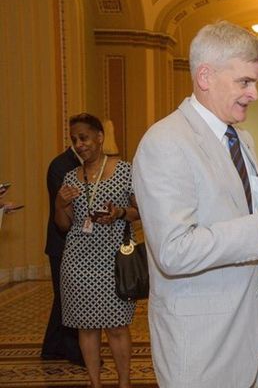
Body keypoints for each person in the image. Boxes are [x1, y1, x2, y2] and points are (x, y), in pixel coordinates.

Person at [131, 21, 258, 388]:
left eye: (255, 81)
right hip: (202, 340)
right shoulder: (165, 142)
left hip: (253, 327)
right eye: (245, 82)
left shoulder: (242, 138)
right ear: (205, 76)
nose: (254, 94)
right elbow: (173, 251)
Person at [55, 113, 139, 388]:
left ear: (100, 137)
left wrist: (119, 213)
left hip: (114, 260)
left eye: (84, 138)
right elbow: (64, 224)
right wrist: (60, 203)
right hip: (78, 260)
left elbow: (142, 211)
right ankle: (95, 383)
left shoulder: (125, 170)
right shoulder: (71, 176)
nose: (79, 145)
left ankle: (124, 382)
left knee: (116, 326)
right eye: (75, 139)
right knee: (86, 326)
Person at [41, 145, 84, 366]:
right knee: (66, 299)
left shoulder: (78, 164)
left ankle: (52, 348)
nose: (81, 143)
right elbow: (68, 207)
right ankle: (71, 350)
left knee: (64, 299)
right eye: (78, 138)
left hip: (74, 244)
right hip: (61, 243)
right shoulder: (62, 166)